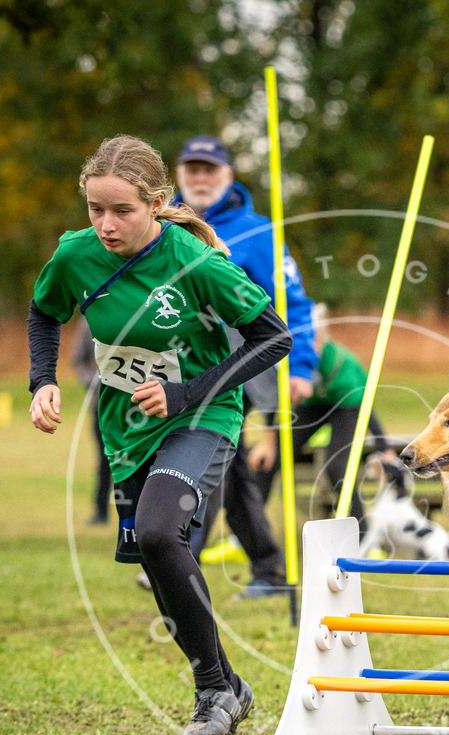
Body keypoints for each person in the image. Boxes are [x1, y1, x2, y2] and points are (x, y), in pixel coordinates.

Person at [27, 135, 292, 735]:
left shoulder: (197, 263)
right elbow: (44, 312)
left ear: (155, 203)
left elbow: (273, 337)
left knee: (156, 532)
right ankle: (229, 686)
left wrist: (187, 392)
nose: (106, 225)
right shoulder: (76, 255)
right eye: (96, 209)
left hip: (204, 416)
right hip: (127, 431)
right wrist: (43, 381)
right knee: (157, 552)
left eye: (122, 211)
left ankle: (212, 692)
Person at [173, 135, 320, 598]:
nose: (200, 178)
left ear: (228, 177)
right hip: (181, 365)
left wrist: (302, 366)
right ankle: (267, 568)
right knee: (231, 469)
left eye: (209, 170)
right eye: (192, 169)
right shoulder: (161, 226)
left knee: (206, 454)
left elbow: (293, 302)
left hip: (244, 365)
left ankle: (178, 557)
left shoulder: (257, 232)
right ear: (179, 175)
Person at [248, 325, 393, 526]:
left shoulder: (341, 366)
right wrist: (269, 443)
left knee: (336, 466)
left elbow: (365, 405)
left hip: (347, 403)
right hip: (314, 403)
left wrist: (384, 447)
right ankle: (251, 530)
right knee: (270, 459)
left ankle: (362, 531)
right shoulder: (290, 358)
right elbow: (274, 397)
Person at [71, 318, 111, 525]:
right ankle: (101, 511)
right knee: (105, 459)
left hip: (136, 406)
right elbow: (77, 362)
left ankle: (137, 516)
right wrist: (94, 383)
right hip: (100, 406)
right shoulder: (87, 324)